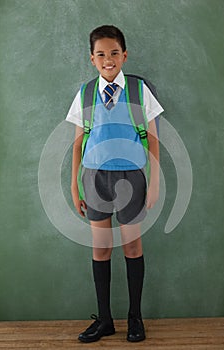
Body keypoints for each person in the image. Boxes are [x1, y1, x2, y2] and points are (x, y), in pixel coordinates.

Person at [66, 25, 164, 343]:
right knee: (101, 248)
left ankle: (135, 318)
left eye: (113, 53)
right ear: (91, 59)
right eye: (101, 54)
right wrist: (73, 184)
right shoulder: (85, 93)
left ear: (124, 55)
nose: (108, 59)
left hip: (132, 177)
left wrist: (155, 181)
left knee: (133, 246)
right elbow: (78, 142)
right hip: (94, 180)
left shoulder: (138, 90)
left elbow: (153, 137)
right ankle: (105, 320)